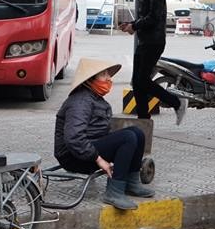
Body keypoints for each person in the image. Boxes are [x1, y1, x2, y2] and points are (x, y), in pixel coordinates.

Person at [54, 57, 153, 211]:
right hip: (73, 156)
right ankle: (114, 192)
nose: (108, 78)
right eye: (103, 75)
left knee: (137, 133)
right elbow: (74, 139)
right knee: (128, 137)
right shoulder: (80, 102)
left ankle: (131, 183)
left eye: (108, 74)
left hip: (89, 149)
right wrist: (99, 160)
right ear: (89, 80)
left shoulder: (95, 99)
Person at [118, 0, 187, 125]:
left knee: (142, 80)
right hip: (144, 41)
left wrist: (134, 27)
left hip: (153, 42)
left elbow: (153, 18)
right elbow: (144, 17)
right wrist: (132, 24)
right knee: (137, 82)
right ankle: (143, 121)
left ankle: (177, 103)